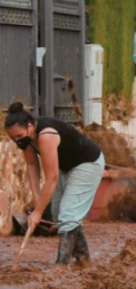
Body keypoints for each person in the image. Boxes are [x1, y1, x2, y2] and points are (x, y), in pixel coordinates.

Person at [5, 103, 104, 265]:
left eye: (19, 136)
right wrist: (36, 197)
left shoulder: (46, 135)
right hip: (66, 167)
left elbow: (51, 178)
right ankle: (83, 259)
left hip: (88, 163)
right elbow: (31, 165)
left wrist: (38, 212)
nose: (17, 140)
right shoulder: (27, 139)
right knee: (59, 215)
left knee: (68, 213)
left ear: (29, 126)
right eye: (13, 138)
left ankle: (61, 265)